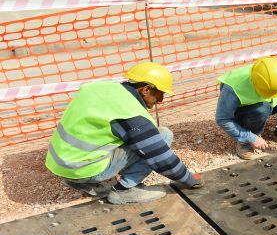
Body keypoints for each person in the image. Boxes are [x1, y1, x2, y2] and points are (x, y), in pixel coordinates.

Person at [46, 62, 203, 205]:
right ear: (146, 89)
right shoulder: (130, 114)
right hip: (82, 168)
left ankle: (79, 182)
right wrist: (188, 179)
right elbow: (160, 158)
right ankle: (124, 191)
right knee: (163, 136)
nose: (160, 100)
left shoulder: (99, 88)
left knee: (126, 136)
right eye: (160, 94)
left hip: (59, 163)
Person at [215, 56, 277, 160]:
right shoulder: (233, 88)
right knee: (262, 108)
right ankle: (245, 141)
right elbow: (223, 119)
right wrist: (250, 137)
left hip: (267, 105)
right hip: (244, 112)